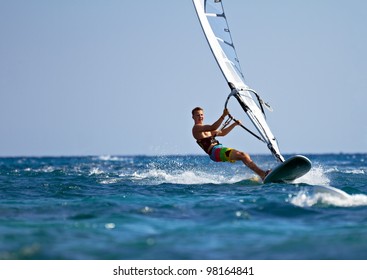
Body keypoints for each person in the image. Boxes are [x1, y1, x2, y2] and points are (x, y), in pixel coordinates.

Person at [192, 106, 269, 180]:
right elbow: (213, 127)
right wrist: (223, 116)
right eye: (198, 115)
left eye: (201, 114)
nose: (200, 116)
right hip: (215, 152)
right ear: (193, 117)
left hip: (219, 150)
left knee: (245, 156)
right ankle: (263, 174)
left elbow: (223, 133)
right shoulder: (196, 128)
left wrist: (234, 124)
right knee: (243, 155)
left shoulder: (206, 130)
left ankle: (261, 174)